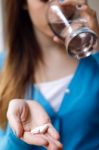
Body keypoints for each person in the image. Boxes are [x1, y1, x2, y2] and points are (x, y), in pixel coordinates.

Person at [0, 0, 99, 149]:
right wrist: (18, 133)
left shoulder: (94, 58)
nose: (59, 6)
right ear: (23, 3)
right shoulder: (3, 67)